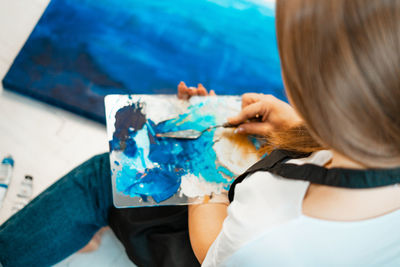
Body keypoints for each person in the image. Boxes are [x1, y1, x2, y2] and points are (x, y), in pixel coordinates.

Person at [1, 0, 400, 266]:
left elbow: (212, 251)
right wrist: (298, 128)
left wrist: (199, 155)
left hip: (220, 250)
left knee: (103, 177)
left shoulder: (272, 227)